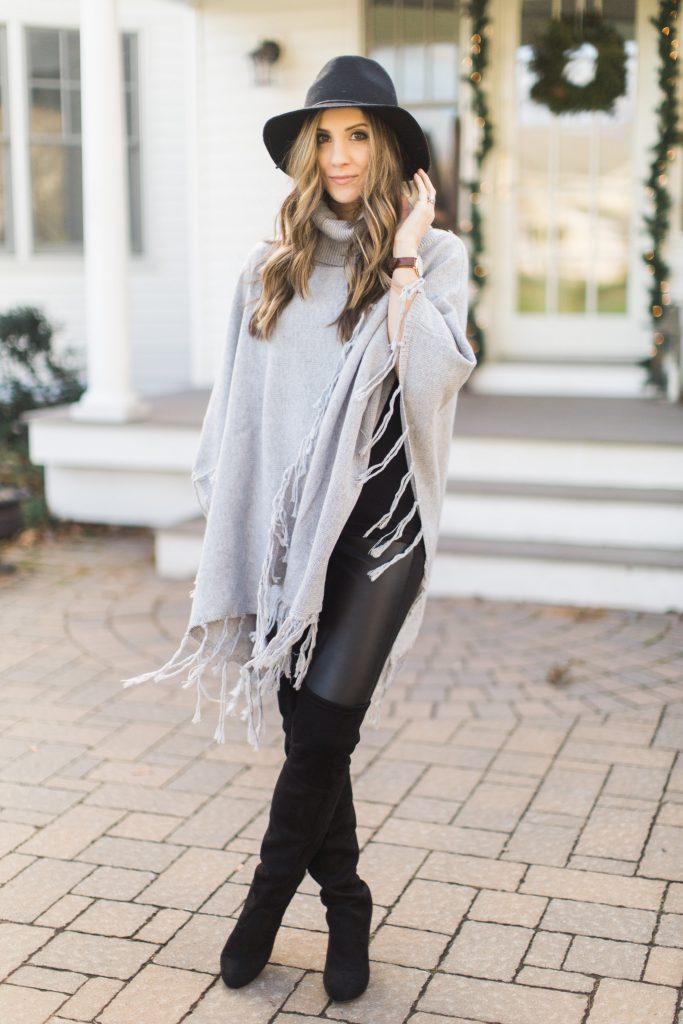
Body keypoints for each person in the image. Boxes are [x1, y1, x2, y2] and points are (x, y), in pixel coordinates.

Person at [121, 53, 476, 1004]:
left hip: (380, 535)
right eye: (326, 135)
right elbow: (236, 410)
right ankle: (349, 906)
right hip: (289, 546)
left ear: (391, 146)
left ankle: (262, 909)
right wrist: (234, 516)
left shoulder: (434, 258)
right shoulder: (268, 266)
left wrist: (402, 256)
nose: (341, 153)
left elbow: (437, 377)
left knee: (319, 727)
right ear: (307, 152)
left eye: (359, 133)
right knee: (314, 744)